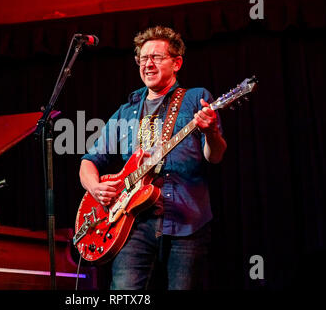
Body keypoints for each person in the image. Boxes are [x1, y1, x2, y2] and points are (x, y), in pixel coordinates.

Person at [79, 26, 227, 290]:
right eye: (143, 58)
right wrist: (95, 187)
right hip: (132, 225)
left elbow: (214, 157)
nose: (148, 64)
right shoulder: (125, 112)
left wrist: (212, 131)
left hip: (186, 221)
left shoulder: (196, 99)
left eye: (156, 57)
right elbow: (89, 160)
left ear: (177, 62)